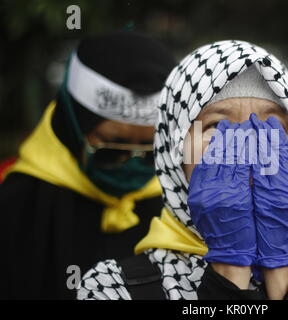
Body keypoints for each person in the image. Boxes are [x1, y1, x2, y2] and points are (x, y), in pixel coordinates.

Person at [77, 40, 288, 300]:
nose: (246, 143)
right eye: (216, 125)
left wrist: (284, 267)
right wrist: (228, 269)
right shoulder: (113, 287)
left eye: (272, 125)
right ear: (174, 148)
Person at [0, 31, 176, 299]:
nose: (132, 165)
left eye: (151, 152)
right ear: (72, 126)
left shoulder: (181, 206)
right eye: (110, 151)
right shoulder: (18, 206)